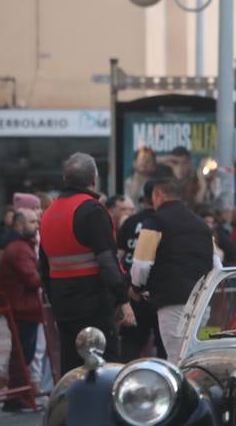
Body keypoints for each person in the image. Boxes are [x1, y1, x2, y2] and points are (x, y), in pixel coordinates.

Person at [39, 153, 131, 373]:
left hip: (63, 305)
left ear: (65, 178)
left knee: (71, 368)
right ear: (94, 178)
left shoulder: (48, 213)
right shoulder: (93, 210)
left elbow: (44, 267)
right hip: (95, 306)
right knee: (105, 368)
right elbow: (108, 262)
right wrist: (123, 298)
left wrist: (55, 301)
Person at [130, 176, 215, 363]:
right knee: (195, 356)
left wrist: (136, 288)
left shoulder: (155, 222)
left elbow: (141, 265)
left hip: (172, 301)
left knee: (177, 358)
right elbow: (217, 263)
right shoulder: (201, 224)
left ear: (158, 194)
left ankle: (182, 393)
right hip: (202, 301)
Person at [0, 208, 44, 410]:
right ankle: (15, 398)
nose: (36, 225)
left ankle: (19, 396)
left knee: (25, 353)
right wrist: (46, 274)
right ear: (19, 225)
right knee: (23, 354)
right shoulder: (19, 248)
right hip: (22, 308)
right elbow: (32, 278)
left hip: (25, 308)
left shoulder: (20, 246)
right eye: (32, 222)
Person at [114, 178, 165, 362]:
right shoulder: (165, 222)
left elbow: (118, 257)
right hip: (160, 293)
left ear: (144, 198)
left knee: (131, 346)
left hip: (132, 293)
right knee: (164, 347)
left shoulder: (129, 223)